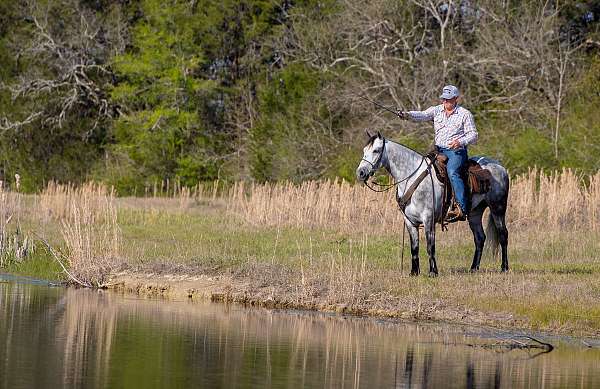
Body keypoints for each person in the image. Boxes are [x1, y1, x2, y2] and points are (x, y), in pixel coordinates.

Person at [398, 85, 478, 221]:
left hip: (456, 152)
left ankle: (461, 207)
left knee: (452, 172)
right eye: (444, 99)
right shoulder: (437, 110)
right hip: (438, 150)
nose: (445, 102)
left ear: (456, 99)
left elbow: (474, 135)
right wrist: (407, 115)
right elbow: (422, 115)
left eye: (448, 99)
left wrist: (460, 142)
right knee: (423, 170)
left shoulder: (465, 114)